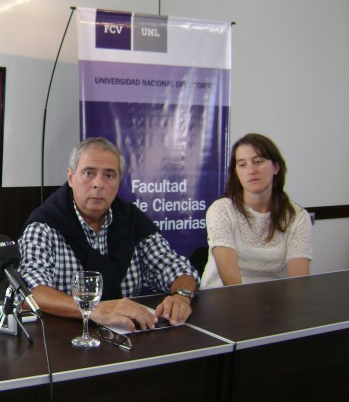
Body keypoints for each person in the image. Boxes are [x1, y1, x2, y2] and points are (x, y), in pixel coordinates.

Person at [17, 137, 200, 332]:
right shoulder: (44, 225)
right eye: (89, 173)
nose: (98, 184)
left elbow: (177, 269)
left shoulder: (132, 220)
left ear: (119, 183)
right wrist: (93, 309)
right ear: (71, 178)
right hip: (63, 339)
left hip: (129, 337)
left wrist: (181, 296)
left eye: (109, 175)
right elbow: (29, 294)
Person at [200, 133, 312, 289]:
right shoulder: (221, 210)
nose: (251, 170)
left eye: (258, 161)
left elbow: (298, 283)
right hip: (225, 296)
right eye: (242, 164)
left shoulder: (297, 216)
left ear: (276, 167)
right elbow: (231, 283)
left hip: (275, 298)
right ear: (236, 172)